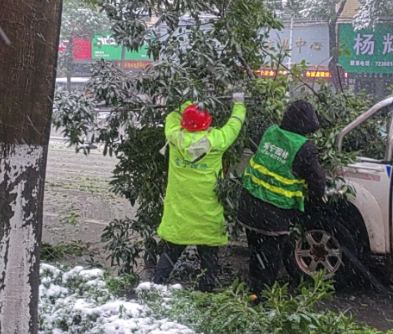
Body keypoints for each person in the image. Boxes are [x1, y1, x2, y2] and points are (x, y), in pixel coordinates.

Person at [152, 93, 247, 292]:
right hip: (207, 210)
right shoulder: (216, 140)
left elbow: (171, 116)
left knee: (171, 251)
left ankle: (155, 287)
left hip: (180, 209)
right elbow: (234, 125)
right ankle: (205, 293)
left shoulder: (174, 136)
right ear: (207, 124)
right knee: (209, 255)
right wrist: (239, 104)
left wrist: (191, 101)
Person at [237, 99, 326, 298]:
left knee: (256, 253)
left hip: (249, 204)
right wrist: (320, 198)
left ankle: (254, 293)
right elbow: (316, 180)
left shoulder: (270, 132)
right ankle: (263, 299)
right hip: (273, 213)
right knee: (271, 258)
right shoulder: (305, 148)